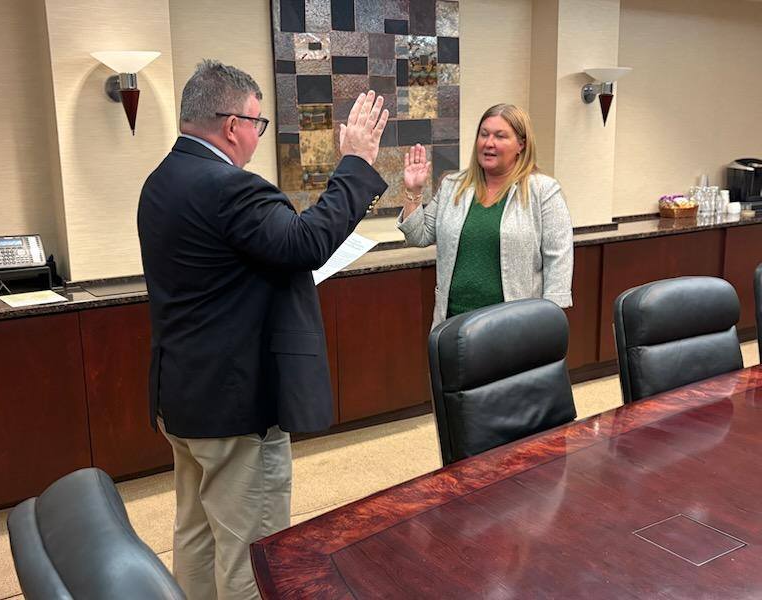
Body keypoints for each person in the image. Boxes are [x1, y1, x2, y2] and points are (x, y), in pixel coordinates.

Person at [137, 60, 388, 599]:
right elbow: (305, 243)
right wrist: (356, 162)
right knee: (253, 555)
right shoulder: (231, 188)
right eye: (258, 122)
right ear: (232, 125)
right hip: (236, 407)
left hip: (182, 397)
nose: (257, 135)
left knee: (198, 536)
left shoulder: (160, 181)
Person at [397, 103, 573, 328]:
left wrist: (548, 320)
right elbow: (417, 236)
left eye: (500, 136)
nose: (489, 143)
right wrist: (413, 191)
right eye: (484, 134)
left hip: (515, 325)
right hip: (453, 322)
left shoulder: (543, 190)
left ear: (521, 144)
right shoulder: (453, 185)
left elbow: (559, 257)